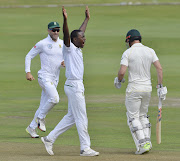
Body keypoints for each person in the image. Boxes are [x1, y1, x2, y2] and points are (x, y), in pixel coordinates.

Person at [41, 6, 99, 157]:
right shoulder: (69, 48)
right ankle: (85, 148)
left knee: (72, 117)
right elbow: (68, 35)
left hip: (75, 85)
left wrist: (86, 19)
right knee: (82, 117)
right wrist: (65, 20)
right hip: (74, 85)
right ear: (74, 40)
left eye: (84, 37)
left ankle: (49, 138)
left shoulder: (77, 47)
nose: (84, 39)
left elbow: (78, 32)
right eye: (82, 38)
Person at [114, 29, 167, 155]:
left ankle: (143, 144)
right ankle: (147, 142)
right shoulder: (150, 50)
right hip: (147, 88)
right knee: (143, 115)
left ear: (129, 40)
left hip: (134, 88)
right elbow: (159, 69)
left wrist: (118, 80)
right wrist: (160, 86)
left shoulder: (128, 52)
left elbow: (122, 72)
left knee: (133, 117)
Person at [25, 21, 65, 138]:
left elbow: (63, 59)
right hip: (44, 77)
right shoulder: (42, 43)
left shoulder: (62, 43)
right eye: (53, 30)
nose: (56, 32)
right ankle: (40, 118)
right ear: (48, 31)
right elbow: (29, 56)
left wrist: (64, 63)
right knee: (55, 98)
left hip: (55, 79)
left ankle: (31, 128)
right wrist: (28, 72)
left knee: (43, 104)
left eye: (58, 30)